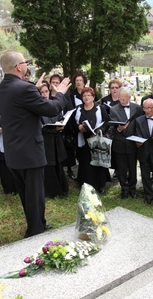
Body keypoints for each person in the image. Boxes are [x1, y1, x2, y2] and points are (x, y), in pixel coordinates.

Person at [0, 50, 71, 238]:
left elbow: (21, 107)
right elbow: (51, 108)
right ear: (18, 66)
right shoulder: (24, 89)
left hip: (13, 151)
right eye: (25, 62)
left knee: (26, 195)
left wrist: (33, 87)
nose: (27, 65)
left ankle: (38, 224)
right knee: (35, 196)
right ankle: (35, 233)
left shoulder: (4, 87)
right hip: (30, 152)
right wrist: (61, 94)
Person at [74, 87, 110, 193]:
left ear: (93, 97)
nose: (86, 97)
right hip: (84, 140)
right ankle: (86, 184)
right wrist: (78, 127)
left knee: (98, 161)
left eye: (88, 95)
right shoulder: (78, 109)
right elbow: (73, 124)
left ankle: (100, 185)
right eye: (84, 95)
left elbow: (107, 122)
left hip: (97, 139)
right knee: (85, 162)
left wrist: (100, 130)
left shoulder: (100, 108)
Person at [109, 87, 143, 199]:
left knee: (133, 167)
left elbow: (139, 124)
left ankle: (132, 189)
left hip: (132, 142)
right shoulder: (114, 109)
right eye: (120, 99)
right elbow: (112, 127)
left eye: (124, 99)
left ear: (129, 97)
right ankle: (124, 189)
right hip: (119, 142)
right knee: (121, 168)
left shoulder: (137, 108)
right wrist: (119, 128)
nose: (122, 101)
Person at [40, 84, 69, 198]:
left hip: (56, 140)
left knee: (58, 163)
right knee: (49, 166)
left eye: (46, 91)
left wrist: (61, 124)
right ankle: (52, 191)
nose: (44, 94)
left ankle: (62, 189)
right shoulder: (37, 108)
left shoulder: (53, 105)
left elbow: (59, 118)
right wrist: (52, 129)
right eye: (42, 92)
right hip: (45, 142)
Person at [101, 79, 122, 178]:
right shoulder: (105, 99)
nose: (114, 90)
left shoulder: (122, 99)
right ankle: (109, 168)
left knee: (118, 149)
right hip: (109, 127)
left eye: (116, 88)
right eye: (112, 88)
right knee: (109, 148)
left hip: (119, 126)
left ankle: (118, 169)